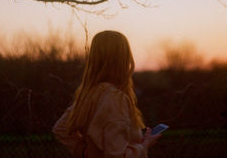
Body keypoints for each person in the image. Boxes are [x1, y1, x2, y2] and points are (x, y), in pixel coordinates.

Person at [52, 30, 161, 158]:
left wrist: (85, 152)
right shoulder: (115, 98)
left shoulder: (90, 94)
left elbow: (60, 128)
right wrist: (145, 145)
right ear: (123, 59)